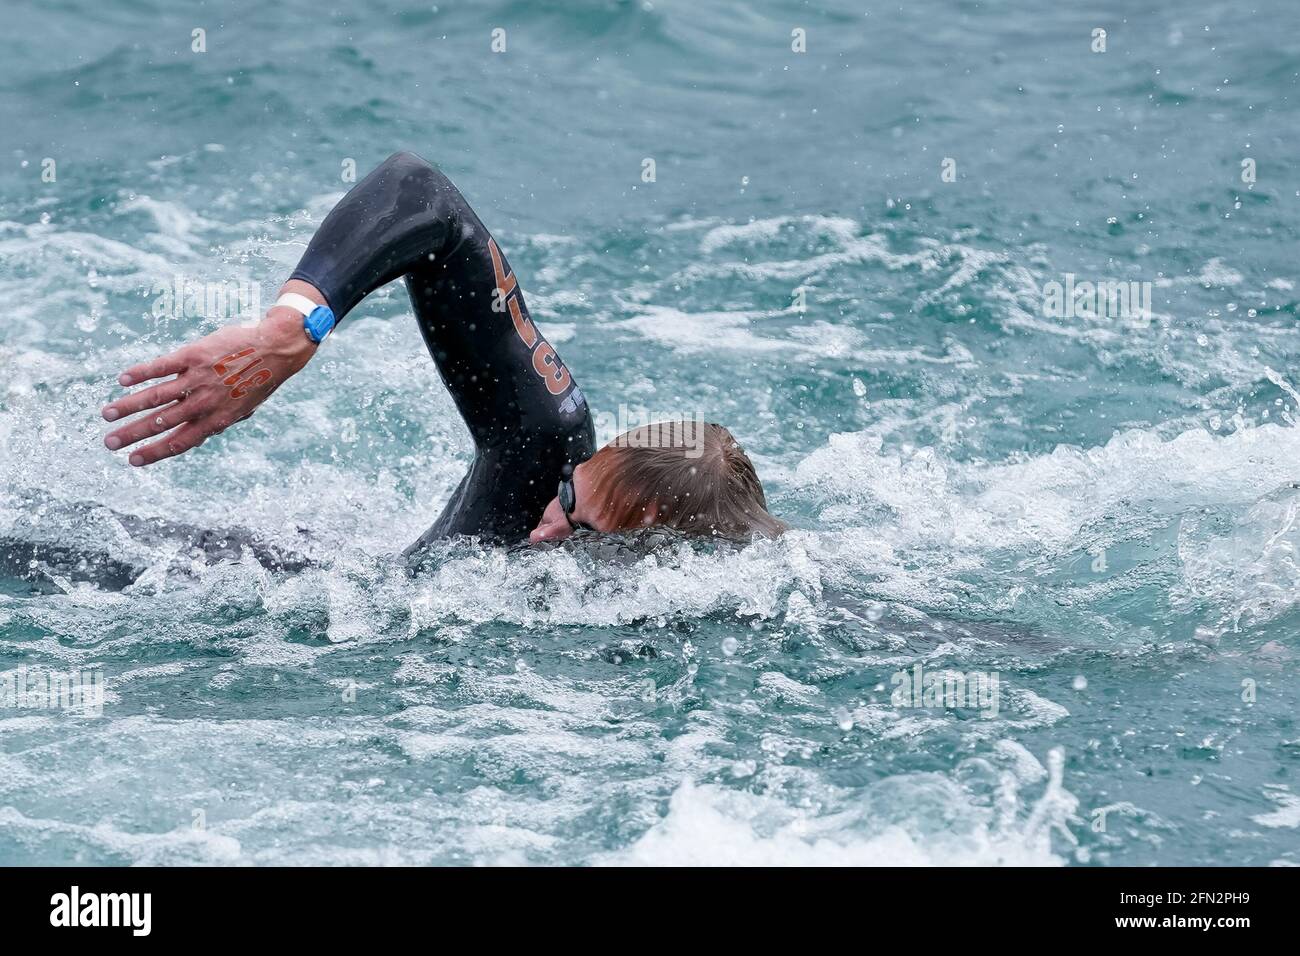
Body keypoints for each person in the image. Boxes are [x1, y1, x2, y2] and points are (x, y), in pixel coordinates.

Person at [101, 152, 784, 554]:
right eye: (568, 496)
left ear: (650, 551)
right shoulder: (547, 449)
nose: (544, 530)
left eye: (582, 529)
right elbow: (419, 190)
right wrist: (292, 329)